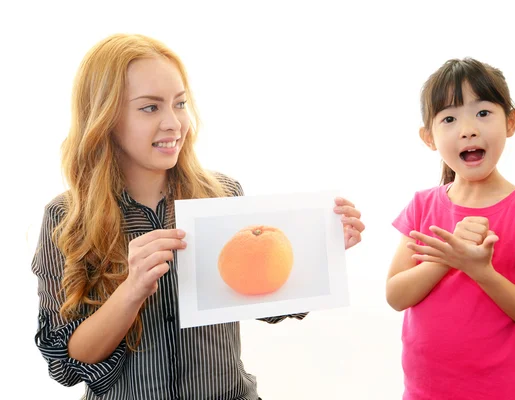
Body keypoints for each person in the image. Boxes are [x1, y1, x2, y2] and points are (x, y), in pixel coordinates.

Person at [32, 33, 365, 400]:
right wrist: (131, 290)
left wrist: (325, 248)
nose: (174, 123)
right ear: (104, 117)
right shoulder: (66, 217)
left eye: (180, 104)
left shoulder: (220, 195)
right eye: (150, 107)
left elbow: (262, 299)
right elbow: (65, 361)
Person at [385, 58, 515, 400]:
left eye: (483, 113)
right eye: (449, 119)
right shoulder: (423, 205)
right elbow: (396, 295)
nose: (468, 129)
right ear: (429, 138)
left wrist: (480, 271)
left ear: (510, 122)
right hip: (422, 392)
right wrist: (446, 259)